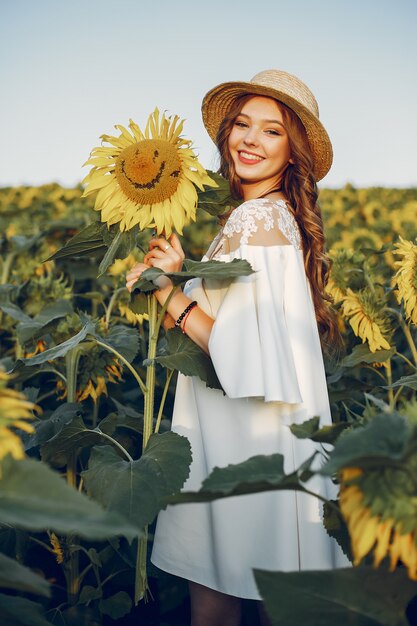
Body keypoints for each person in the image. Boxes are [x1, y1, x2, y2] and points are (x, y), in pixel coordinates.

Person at [126, 69, 347, 626]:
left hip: (243, 440)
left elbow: (243, 353)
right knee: (239, 599)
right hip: (256, 435)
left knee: (221, 606)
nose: (250, 139)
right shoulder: (270, 217)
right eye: (242, 124)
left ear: (293, 152)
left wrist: (169, 295)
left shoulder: (256, 220)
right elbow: (251, 327)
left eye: (272, 131)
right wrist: (181, 275)